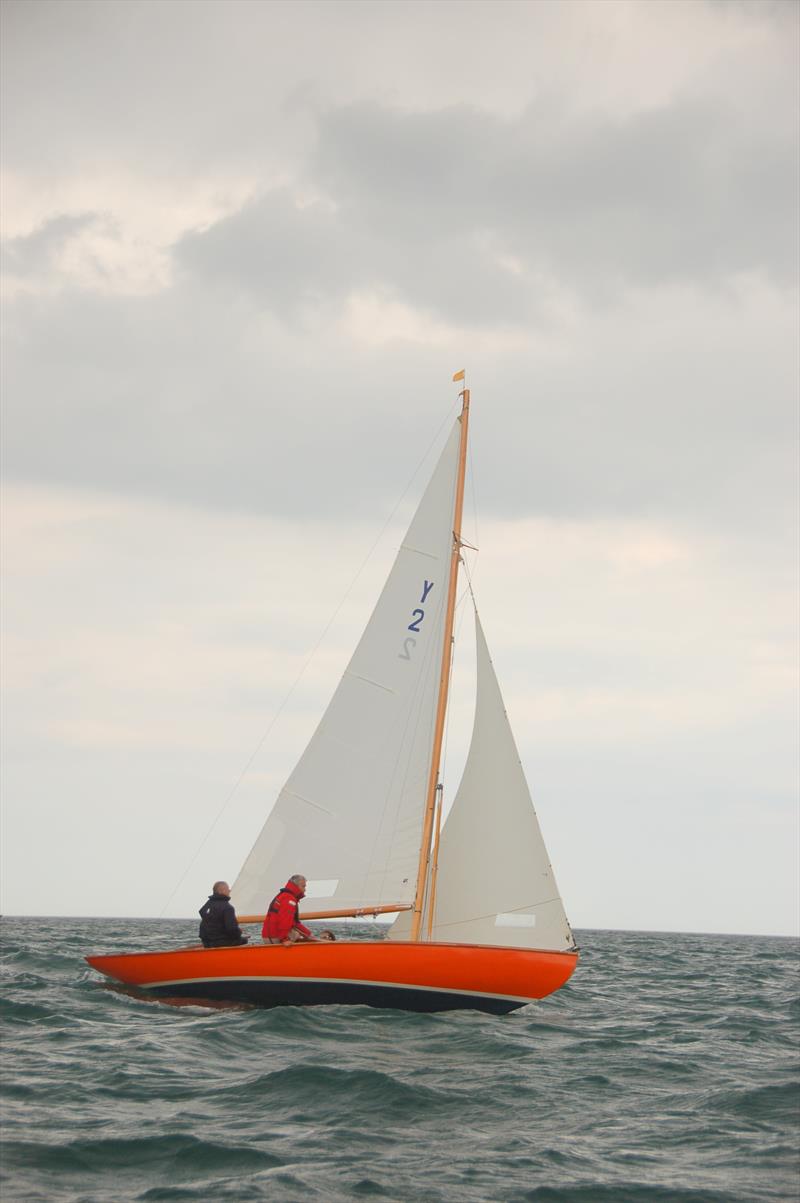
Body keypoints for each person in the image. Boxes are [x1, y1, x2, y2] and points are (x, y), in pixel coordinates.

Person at [262, 875, 335, 945]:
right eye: (303, 886)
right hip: (274, 937)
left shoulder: (285, 896)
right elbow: (285, 920)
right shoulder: (289, 900)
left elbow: (294, 923)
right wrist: (284, 939)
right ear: (296, 886)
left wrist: (309, 934)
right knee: (297, 935)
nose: (305, 889)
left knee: (302, 935)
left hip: (270, 935)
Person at [198, 881, 249, 948]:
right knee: (245, 940)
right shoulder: (227, 907)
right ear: (221, 891)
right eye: (228, 889)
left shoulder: (208, 904)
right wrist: (239, 933)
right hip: (221, 942)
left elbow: (204, 914)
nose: (229, 891)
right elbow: (231, 929)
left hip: (206, 942)